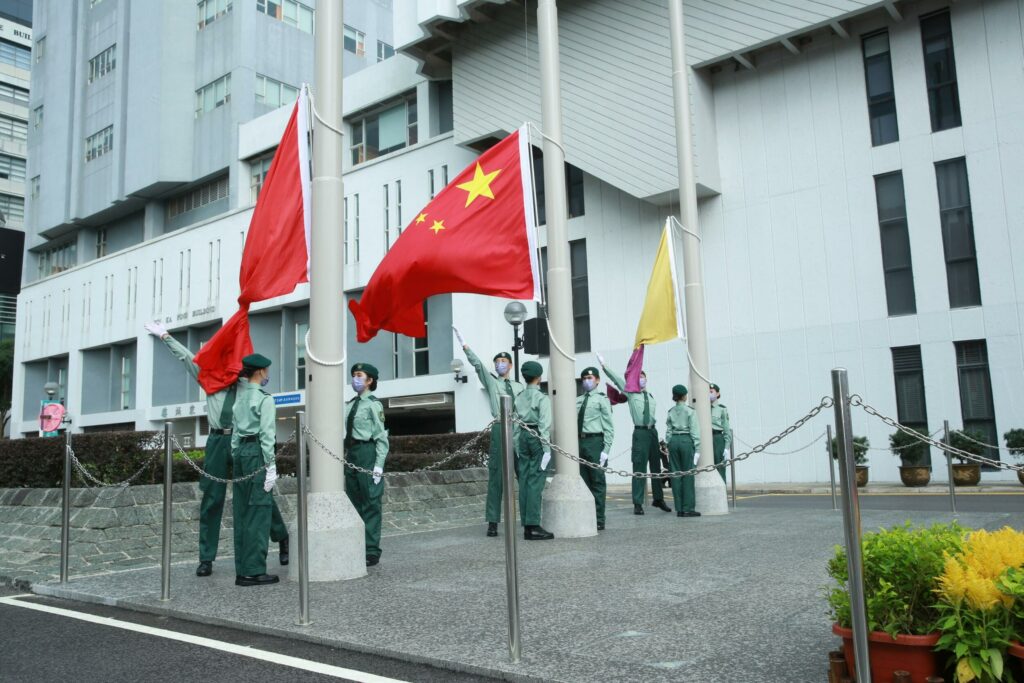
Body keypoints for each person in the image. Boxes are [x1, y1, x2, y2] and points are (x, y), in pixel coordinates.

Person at [145, 322, 288, 577]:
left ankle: (281, 536)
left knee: (257, 492)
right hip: (217, 441)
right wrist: (165, 336)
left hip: (243, 441)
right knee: (212, 498)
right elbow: (185, 356)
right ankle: (206, 558)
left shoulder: (248, 385)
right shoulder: (208, 377)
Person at [453, 326, 524, 537]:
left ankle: (530, 519)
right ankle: (493, 521)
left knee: (525, 476)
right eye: (497, 362)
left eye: (503, 362)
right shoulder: (492, 383)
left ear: (510, 365)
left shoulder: (519, 386)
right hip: (500, 428)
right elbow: (477, 366)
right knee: (497, 478)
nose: (499, 365)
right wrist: (465, 345)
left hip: (520, 430)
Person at [230, 353, 282, 586]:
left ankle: (242, 569)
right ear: (260, 372)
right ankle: (254, 570)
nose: (267, 374)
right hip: (257, 455)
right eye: (267, 370)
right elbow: (267, 435)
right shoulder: (265, 399)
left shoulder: (240, 399)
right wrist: (270, 466)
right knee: (259, 512)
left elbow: (234, 434)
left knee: (242, 513)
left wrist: (236, 455)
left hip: (241, 453)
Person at [597, 353, 671, 515]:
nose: (642, 379)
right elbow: (617, 379)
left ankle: (658, 499)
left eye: (644, 377)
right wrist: (604, 366)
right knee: (639, 467)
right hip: (640, 433)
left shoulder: (650, 396)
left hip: (652, 432)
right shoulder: (631, 393)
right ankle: (637, 502)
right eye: (639, 377)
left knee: (656, 467)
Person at [344, 362, 389, 567]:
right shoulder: (349, 404)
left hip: (367, 452)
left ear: (370, 380)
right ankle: (356, 545)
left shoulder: (373, 404)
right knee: (354, 501)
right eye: (354, 375)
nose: (355, 378)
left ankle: (371, 549)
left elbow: (381, 437)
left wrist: (378, 465)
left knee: (370, 502)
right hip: (351, 453)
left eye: (359, 375)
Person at [514, 361, 554, 540]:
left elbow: (515, 426)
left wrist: (517, 446)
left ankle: (526, 526)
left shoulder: (519, 396)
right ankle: (534, 525)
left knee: (524, 481)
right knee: (536, 481)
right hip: (536, 437)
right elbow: (544, 426)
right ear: (539, 377)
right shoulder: (542, 398)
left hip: (522, 436)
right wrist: (547, 449)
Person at [575, 366, 613, 530]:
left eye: (590, 378)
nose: (587, 381)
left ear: (597, 380)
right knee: (583, 481)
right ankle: (586, 516)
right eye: (584, 379)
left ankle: (599, 519)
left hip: (595, 441)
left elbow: (609, 426)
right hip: (579, 442)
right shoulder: (578, 400)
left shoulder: (602, 399)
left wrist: (606, 449)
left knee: (597, 481)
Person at [666, 385, 701, 518]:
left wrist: (669, 443)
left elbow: (668, 431)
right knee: (688, 474)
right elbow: (695, 431)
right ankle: (688, 508)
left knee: (675, 475)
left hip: (674, 441)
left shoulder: (671, 411)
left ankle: (679, 508)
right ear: (684, 396)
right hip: (686, 441)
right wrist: (697, 448)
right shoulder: (690, 411)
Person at [710, 383, 732, 483]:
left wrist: (727, 447)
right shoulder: (702, 408)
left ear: (717, 394)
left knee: (720, 468)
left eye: (711, 392)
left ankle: (722, 494)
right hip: (705, 439)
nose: (709, 394)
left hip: (717, 438)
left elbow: (727, 429)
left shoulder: (722, 409)